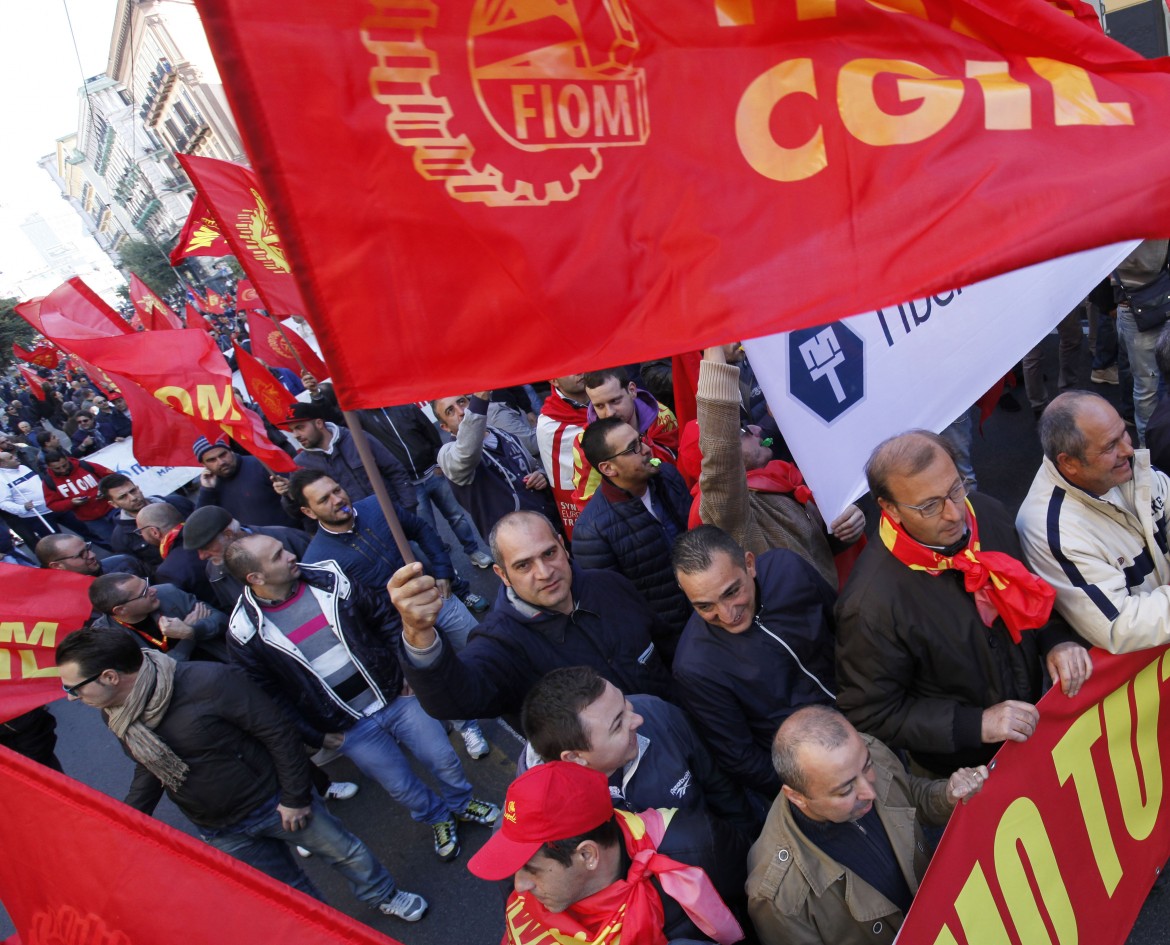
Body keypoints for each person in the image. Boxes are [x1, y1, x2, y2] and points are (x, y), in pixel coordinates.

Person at [55, 626, 428, 922]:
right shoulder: (117, 711)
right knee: (284, 893)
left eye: (73, 687)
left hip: (276, 804)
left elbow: (278, 734)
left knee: (345, 855)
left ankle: (386, 896)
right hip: (219, 827)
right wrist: (126, 819)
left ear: (108, 676)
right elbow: (150, 764)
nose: (70, 697)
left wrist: (295, 797)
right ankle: (328, 931)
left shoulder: (208, 681)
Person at [223, 533, 501, 861]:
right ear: (255, 578)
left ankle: (461, 803)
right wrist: (318, 735)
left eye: (282, 547)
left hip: (396, 696)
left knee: (443, 757)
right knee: (400, 786)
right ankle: (437, 817)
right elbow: (269, 699)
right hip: (347, 727)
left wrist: (405, 671)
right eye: (277, 556)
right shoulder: (244, 631)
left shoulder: (330, 577)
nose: (290, 554)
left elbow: (384, 618)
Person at [836, 430, 1088, 778]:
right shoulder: (869, 605)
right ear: (889, 508)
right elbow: (872, 713)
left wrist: (1056, 640)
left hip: (1032, 729)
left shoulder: (986, 512)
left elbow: (1032, 594)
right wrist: (977, 723)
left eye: (955, 488)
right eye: (929, 506)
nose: (955, 514)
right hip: (961, 770)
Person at [391, 510, 674, 725]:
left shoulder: (609, 584)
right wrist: (418, 634)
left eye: (549, 553)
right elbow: (456, 700)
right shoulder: (500, 644)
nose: (544, 572)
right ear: (502, 575)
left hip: (676, 731)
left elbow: (665, 647)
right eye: (523, 565)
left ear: (563, 546)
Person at [290, 470, 492, 758]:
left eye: (337, 489)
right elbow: (353, 619)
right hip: (404, 632)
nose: (338, 499)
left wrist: (443, 571)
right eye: (325, 499)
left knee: (481, 647)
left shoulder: (376, 506)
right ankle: (467, 726)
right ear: (308, 511)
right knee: (439, 681)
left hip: (438, 600)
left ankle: (507, 693)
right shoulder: (318, 561)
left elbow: (421, 529)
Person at [745, 706, 987, 945]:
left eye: (867, 767)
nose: (869, 791)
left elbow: (909, 795)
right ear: (797, 797)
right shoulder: (777, 898)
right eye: (846, 790)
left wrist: (947, 795)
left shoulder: (860, 751)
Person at [467, 761, 745, 945]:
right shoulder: (523, 882)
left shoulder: (696, 847)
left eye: (531, 869)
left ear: (588, 855)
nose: (519, 888)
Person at [671, 526, 836, 798]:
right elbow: (741, 758)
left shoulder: (788, 569)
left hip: (868, 720)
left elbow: (844, 630)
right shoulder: (695, 667)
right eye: (704, 606)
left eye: (731, 592)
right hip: (814, 776)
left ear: (749, 564)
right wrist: (806, 790)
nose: (726, 615)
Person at [692, 346, 865, 589]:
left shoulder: (783, 482)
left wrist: (847, 528)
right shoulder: (729, 513)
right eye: (742, 431)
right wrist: (713, 342)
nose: (756, 429)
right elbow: (720, 447)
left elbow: (817, 551)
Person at [520, 666, 760, 839]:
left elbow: (721, 787)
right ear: (575, 757)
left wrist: (746, 844)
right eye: (617, 724)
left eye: (624, 704)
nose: (637, 719)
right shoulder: (540, 813)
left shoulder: (659, 715)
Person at [1017, 390, 1170, 652]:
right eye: (1110, 446)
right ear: (1069, 463)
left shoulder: (1125, 467)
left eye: (1123, 431)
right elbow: (1119, 625)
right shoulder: (1052, 530)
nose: (1128, 449)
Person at [574, 417, 694, 653]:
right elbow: (617, 606)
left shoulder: (667, 476)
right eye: (633, 448)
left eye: (640, 439)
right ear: (608, 468)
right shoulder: (592, 532)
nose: (647, 449)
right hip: (672, 641)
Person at [354, 401, 495, 569]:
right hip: (409, 485)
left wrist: (437, 463)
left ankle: (473, 552)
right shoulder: (361, 418)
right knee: (427, 530)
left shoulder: (404, 405)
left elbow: (429, 431)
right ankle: (448, 569)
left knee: (456, 517)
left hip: (432, 474)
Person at [431, 391, 559, 542]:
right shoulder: (448, 454)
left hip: (549, 524)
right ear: (445, 427)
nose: (461, 411)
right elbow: (466, 453)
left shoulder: (502, 434)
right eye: (450, 411)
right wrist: (479, 402)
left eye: (461, 402)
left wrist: (541, 476)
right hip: (516, 543)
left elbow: (534, 467)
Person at [272, 402, 417, 517]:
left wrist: (407, 508)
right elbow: (303, 512)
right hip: (361, 533)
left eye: (300, 427)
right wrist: (288, 495)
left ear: (319, 423)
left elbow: (394, 470)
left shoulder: (357, 438)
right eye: (292, 430)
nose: (296, 435)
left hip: (397, 516)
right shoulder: (300, 465)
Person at [571, 368, 679, 510]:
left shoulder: (662, 417)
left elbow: (677, 466)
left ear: (632, 390)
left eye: (615, 401)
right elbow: (588, 502)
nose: (609, 413)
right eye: (599, 406)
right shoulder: (585, 443)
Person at [180, 504, 310, 611]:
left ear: (228, 534)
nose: (202, 557)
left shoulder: (285, 537)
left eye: (206, 547)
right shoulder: (214, 571)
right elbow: (233, 609)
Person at [88, 572, 228, 662]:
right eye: (144, 593)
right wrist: (187, 637)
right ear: (121, 610)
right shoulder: (106, 637)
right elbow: (154, 675)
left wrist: (194, 629)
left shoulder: (168, 592)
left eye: (147, 584)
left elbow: (222, 620)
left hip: (219, 663)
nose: (154, 590)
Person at [192, 435, 291, 527]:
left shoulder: (260, 465)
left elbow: (295, 496)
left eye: (223, 455)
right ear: (203, 464)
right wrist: (207, 490)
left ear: (231, 451)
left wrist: (287, 489)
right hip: (253, 543)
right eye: (212, 460)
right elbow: (201, 524)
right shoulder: (211, 487)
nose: (221, 462)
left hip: (290, 536)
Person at [99, 473, 194, 568]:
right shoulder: (120, 538)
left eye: (133, 491)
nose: (133, 498)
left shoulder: (177, 502)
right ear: (113, 504)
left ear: (138, 488)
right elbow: (142, 569)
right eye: (123, 497)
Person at [536, 373, 589, 538]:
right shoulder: (550, 424)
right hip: (591, 505)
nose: (580, 371)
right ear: (553, 379)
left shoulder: (611, 393)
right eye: (570, 369)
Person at [135, 502, 218, 606]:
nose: (141, 536)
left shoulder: (168, 571)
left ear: (154, 532)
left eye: (140, 531)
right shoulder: (214, 530)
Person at [40, 450, 117, 548]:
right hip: (92, 519)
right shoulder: (48, 482)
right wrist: (71, 503)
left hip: (112, 508)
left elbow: (112, 477)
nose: (63, 470)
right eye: (57, 468)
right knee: (115, 543)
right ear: (49, 467)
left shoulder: (85, 465)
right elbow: (52, 505)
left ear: (67, 459)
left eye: (64, 465)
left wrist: (104, 490)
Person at [0, 450, 58, 546]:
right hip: (37, 516)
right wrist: (23, 508)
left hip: (54, 505)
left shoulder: (23, 467)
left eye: (13, 455)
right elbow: (3, 503)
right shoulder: (1, 480)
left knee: (82, 527)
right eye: (11, 457)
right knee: (56, 542)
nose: (15, 457)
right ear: (3, 464)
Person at [35, 533, 147, 579]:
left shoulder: (124, 562)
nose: (92, 555)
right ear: (56, 565)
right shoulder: (64, 603)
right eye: (81, 554)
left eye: (88, 548)